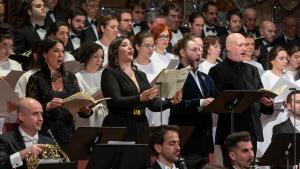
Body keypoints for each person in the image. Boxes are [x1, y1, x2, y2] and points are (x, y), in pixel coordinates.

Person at [208, 33, 273, 168]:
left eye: (246, 45)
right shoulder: (217, 71)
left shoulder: (253, 70)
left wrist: (267, 104)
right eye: (240, 45)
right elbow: (216, 103)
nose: (245, 48)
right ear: (228, 47)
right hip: (231, 131)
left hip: (251, 129)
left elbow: (260, 95)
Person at [101, 37, 181, 141]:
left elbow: (152, 104)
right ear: (115, 51)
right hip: (119, 125)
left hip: (141, 124)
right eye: (124, 45)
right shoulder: (109, 73)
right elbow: (114, 101)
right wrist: (139, 98)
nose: (130, 47)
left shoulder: (141, 74)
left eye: (130, 45)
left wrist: (171, 102)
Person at [26, 37, 92, 146]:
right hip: (46, 135)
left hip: (69, 134)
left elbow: (78, 106)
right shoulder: (36, 79)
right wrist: (48, 106)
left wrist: (85, 110)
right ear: (45, 54)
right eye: (56, 51)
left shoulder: (70, 77)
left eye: (62, 51)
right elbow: (29, 110)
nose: (61, 55)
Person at [170, 35, 216, 168]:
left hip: (204, 142)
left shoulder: (205, 77)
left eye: (200, 49)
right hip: (186, 142)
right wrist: (200, 103)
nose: (199, 52)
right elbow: (175, 106)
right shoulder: (174, 75)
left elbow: (217, 99)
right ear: (183, 53)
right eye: (194, 50)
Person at [0, 98, 54, 169]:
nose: (41, 118)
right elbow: (2, 164)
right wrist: (25, 152)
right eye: (35, 114)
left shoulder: (49, 141)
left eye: (41, 114)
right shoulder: (4, 140)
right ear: (21, 117)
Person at [75, 41, 108, 127]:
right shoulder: (78, 77)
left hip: (104, 116)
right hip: (86, 118)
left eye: (101, 57)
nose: (99, 60)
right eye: (95, 56)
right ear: (86, 57)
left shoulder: (105, 75)